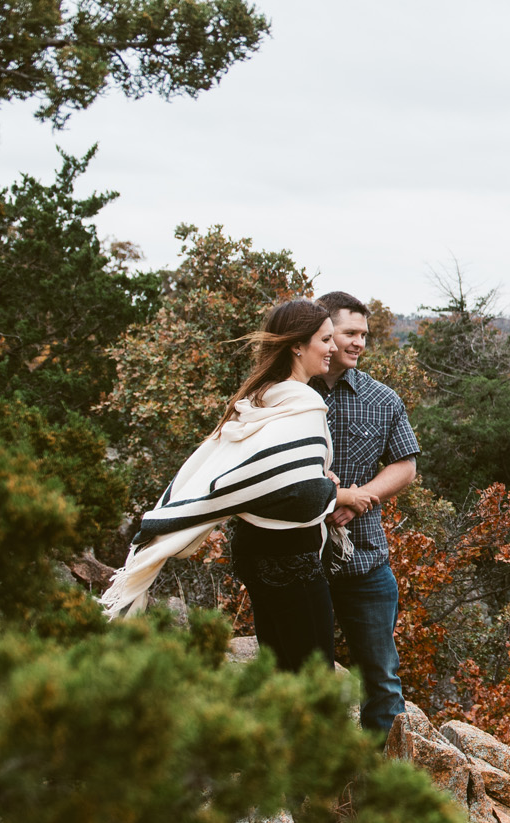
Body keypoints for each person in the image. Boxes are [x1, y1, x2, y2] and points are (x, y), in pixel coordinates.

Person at [100, 298, 342, 673]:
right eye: (326, 340)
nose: (333, 348)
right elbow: (301, 497)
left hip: (254, 551)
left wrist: (311, 478)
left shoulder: (260, 400)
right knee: (312, 679)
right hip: (291, 558)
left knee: (279, 673)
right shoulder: (303, 403)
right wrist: (332, 490)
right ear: (297, 345)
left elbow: (252, 477)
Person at [311, 291, 421, 732]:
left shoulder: (381, 399)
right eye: (350, 333)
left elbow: (405, 465)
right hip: (301, 560)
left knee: (381, 677)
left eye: (365, 335)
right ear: (323, 333)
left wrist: (362, 499)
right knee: (305, 676)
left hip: (366, 556)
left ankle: (381, 789)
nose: (359, 343)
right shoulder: (287, 395)